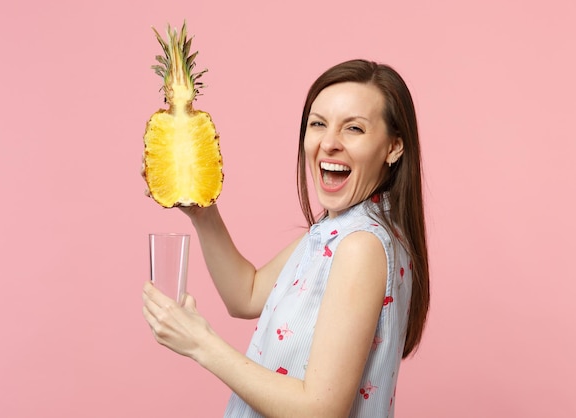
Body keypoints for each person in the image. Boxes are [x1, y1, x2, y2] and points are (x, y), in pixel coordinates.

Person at [142, 59, 430, 417]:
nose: (329, 143)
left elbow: (320, 409)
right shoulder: (334, 232)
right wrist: (203, 213)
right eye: (318, 124)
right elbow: (245, 295)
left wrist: (201, 343)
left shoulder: (361, 245)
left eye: (353, 128)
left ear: (393, 147)